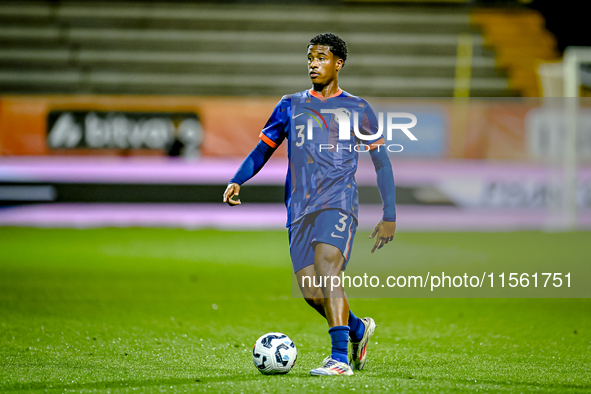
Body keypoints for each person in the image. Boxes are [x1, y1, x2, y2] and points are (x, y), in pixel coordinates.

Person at [223, 33, 396, 376]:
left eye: (321, 57)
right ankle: (358, 330)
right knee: (311, 292)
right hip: (299, 207)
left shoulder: (357, 108)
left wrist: (389, 213)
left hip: (338, 202)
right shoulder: (290, 104)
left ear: (338, 63)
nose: (313, 64)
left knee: (327, 268)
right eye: (310, 58)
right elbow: (263, 149)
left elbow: (382, 162)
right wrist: (237, 178)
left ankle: (340, 359)